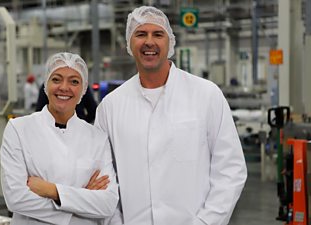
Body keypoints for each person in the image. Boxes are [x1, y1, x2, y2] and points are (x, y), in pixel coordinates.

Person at [95, 6, 247, 225]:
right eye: (140, 34)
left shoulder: (206, 94)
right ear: (129, 43)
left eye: (158, 34)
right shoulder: (110, 106)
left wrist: (206, 222)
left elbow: (230, 169)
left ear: (170, 42)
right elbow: (103, 178)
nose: (149, 42)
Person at [0, 52, 119, 225]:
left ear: (83, 90)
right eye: (56, 79)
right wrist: (81, 207)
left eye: (74, 81)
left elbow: (107, 204)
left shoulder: (97, 138)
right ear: (46, 85)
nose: (64, 87)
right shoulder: (18, 129)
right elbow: (16, 198)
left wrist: (52, 191)